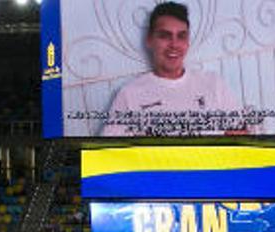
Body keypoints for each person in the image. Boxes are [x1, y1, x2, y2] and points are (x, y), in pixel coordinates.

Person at [99, 2, 246, 137]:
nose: (174, 44)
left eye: (181, 36)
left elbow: (241, 135)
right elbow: (111, 154)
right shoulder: (129, 95)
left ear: (187, 42)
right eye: (165, 36)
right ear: (150, 40)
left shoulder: (213, 83)